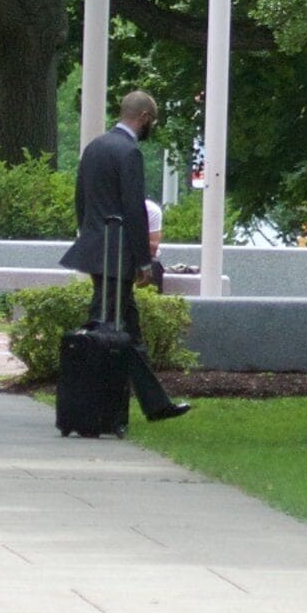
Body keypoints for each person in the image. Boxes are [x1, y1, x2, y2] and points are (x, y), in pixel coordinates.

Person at [63, 90, 190, 424]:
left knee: (128, 327)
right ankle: (92, 405)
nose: (152, 127)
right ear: (144, 117)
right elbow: (134, 210)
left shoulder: (95, 147)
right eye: (153, 121)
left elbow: (80, 199)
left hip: (96, 247)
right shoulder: (129, 152)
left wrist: (89, 236)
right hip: (118, 253)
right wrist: (143, 261)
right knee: (104, 325)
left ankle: (156, 404)